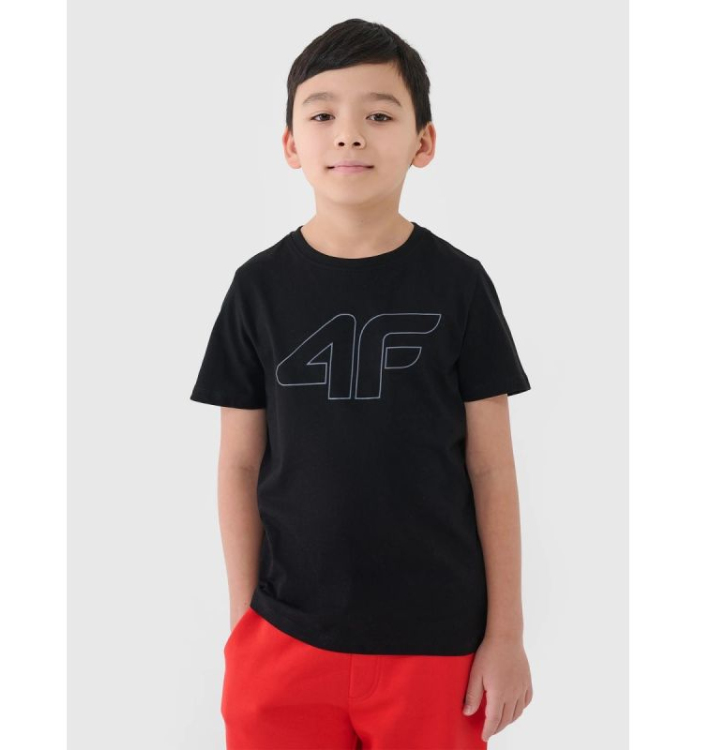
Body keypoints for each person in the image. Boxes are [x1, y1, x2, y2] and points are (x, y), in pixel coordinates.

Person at [190, 17, 534, 749]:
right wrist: (243, 625)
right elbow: (240, 463)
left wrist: (505, 635)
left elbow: (492, 467)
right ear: (291, 145)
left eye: (379, 115)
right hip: (284, 640)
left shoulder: (460, 285)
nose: (349, 135)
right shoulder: (257, 289)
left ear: (423, 142)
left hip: (436, 647)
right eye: (322, 116)